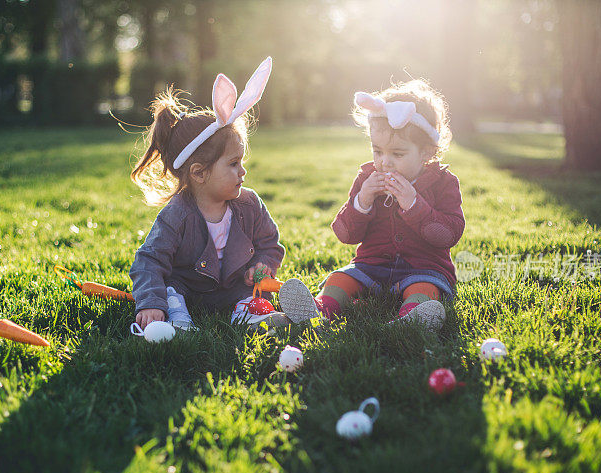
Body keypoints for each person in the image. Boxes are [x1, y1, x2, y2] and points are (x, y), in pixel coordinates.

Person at [279, 79, 464, 332]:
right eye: (377, 151)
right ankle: (319, 311)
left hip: (423, 268)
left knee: (424, 289)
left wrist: (413, 204)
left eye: (397, 154)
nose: (385, 162)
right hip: (371, 266)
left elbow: (448, 235)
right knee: (340, 278)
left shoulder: (443, 182)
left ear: (427, 153)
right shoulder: (367, 179)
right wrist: (362, 200)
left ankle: (411, 320)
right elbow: (345, 234)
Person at [129, 57, 289, 331]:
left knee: (251, 293)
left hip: (234, 288)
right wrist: (150, 302)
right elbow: (150, 259)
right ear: (199, 173)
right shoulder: (177, 214)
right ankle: (178, 321)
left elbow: (269, 243)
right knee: (171, 291)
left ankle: (249, 315)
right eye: (233, 164)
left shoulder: (249, 204)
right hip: (187, 290)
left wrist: (262, 264)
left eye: (242, 162)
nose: (243, 172)